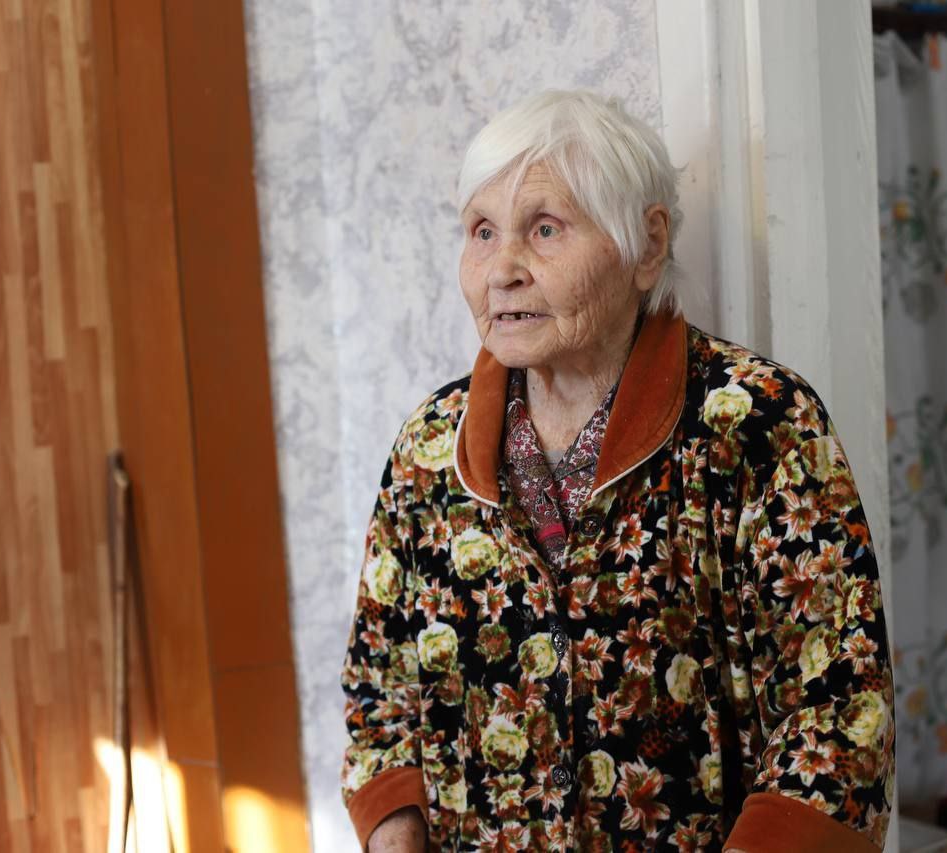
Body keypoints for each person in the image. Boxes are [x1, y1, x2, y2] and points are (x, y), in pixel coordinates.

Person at [341, 90, 893, 852]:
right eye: (482, 231)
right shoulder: (431, 446)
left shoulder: (756, 421)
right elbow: (380, 688)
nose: (502, 269)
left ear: (647, 245)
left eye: (544, 228)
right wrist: (394, 833)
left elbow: (838, 708)